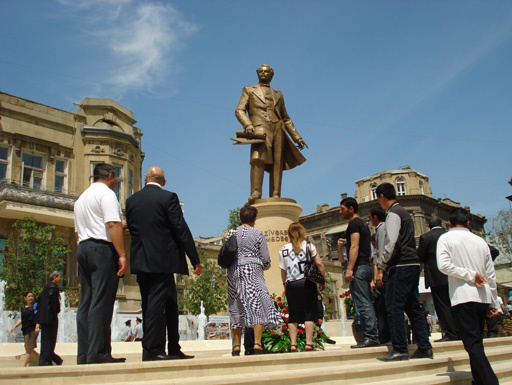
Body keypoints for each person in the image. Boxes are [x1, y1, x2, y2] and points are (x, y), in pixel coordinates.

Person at [126, 166, 201, 361]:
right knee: (156, 306)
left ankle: (173, 347)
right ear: (164, 182)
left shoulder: (131, 200)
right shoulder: (168, 197)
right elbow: (180, 228)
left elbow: (134, 229)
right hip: (163, 260)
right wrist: (194, 258)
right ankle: (152, 350)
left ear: (145, 179)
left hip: (141, 260)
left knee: (166, 304)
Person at [437, 207, 499, 385]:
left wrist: (469, 275)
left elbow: (444, 265)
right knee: (476, 341)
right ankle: (479, 380)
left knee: (471, 343)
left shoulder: (446, 238)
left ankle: (490, 381)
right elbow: (491, 274)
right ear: (468, 223)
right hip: (482, 296)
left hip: (463, 295)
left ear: (449, 223)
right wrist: (493, 302)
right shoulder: (480, 242)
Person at [74, 163, 128, 364]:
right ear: (111, 176)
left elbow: (78, 230)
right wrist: (122, 254)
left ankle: (85, 353)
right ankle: (99, 352)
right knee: (102, 302)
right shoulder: (107, 194)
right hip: (101, 250)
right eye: (116, 179)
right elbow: (112, 224)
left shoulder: (82, 198)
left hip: (83, 248)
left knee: (86, 302)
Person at [375, 183, 433, 361]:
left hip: (400, 266)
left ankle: (400, 348)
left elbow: (391, 243)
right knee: (413, 307)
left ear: (382, 197)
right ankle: (424, 346)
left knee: (393, 307)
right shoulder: (405, 213)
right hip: (413, 265)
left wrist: (382, 265)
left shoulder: (393, 214)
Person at [235, 64, 308, 202]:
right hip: (259, 129)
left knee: (277, 162)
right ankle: (256, 192)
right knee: (257, 158)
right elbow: (239, 110)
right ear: (257, 73)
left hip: (277, 128)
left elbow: (286, 118)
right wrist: (248, 124)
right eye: (260, 72)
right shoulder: (249, 90)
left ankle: (275, 193)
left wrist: (297, 137)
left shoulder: (278, 94)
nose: (263, 74)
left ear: (271, 74)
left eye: (266, 72)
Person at [226, 205, 282, 355]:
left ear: (241, 217)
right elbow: (265, 258)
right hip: (251, 270)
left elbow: (227, 252)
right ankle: (257, 343)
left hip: (232, 271)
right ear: (254, 218)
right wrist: (265, 265)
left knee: (235, 305)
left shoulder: (231, 233)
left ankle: (236, 346)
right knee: (257, 304)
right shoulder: (257, 233)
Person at [338, 198, 379, 348]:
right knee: (365, 302)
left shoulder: (355, 224)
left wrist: (350, 269)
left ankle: (371, 336)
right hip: (365, 266)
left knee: (363, 303)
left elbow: (354, 246)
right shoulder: (363, 223)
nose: (340, 211)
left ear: (351, 209)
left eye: (342, 209)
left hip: (359, 268)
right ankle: (371, 335)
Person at [279, 222, 326, 352]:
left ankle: (293, 344)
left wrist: (285, 285)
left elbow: (283, 270)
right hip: (307, 282)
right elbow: (319, 263)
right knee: (309, 313)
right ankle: (308, 343)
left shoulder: (283, 249)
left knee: (293, 315)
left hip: (291, 283)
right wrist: (323, 279)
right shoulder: (309, 246)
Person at [417, 216, 459, 342]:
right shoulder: (449, 235)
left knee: (442, 305)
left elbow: (421, 256)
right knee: (455, 304)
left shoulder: (426, 237)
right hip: (453, 275)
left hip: (436, 276)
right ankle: (459, 331)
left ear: (429, 226)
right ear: (442, 225)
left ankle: (449, 333)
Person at [369, 208, 391, 345]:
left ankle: (386, 337)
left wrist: (379, 272)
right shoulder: (385, 228)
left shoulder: (381, 230)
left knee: (383, 308)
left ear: (375, 217)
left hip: (384, 273)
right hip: (384, 271)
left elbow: (383, 253)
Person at [35, 271, 63, 366]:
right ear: (54, 277)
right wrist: (57, 309)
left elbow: (39, 300)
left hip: (45, 318)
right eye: (60, 276)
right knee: (50, 339)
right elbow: (52, 298)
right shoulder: (52, 287)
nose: (61, 278)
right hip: (50, 318)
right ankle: (46, 361)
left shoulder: (46, 287)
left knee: (46, 339)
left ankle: (49, 360)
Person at [10, 291, 40, 366]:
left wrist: (37, 327)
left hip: (32, 330)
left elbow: (38, 317)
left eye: (32, 296)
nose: (31, 298)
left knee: (28, 349)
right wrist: (14, 326)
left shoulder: (35, 307)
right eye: (29, 296)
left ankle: (23, 367)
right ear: (25, 298)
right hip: (25, 330)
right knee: (30, 349)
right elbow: (22, 319)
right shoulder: (23, 308)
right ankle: (42, 363)